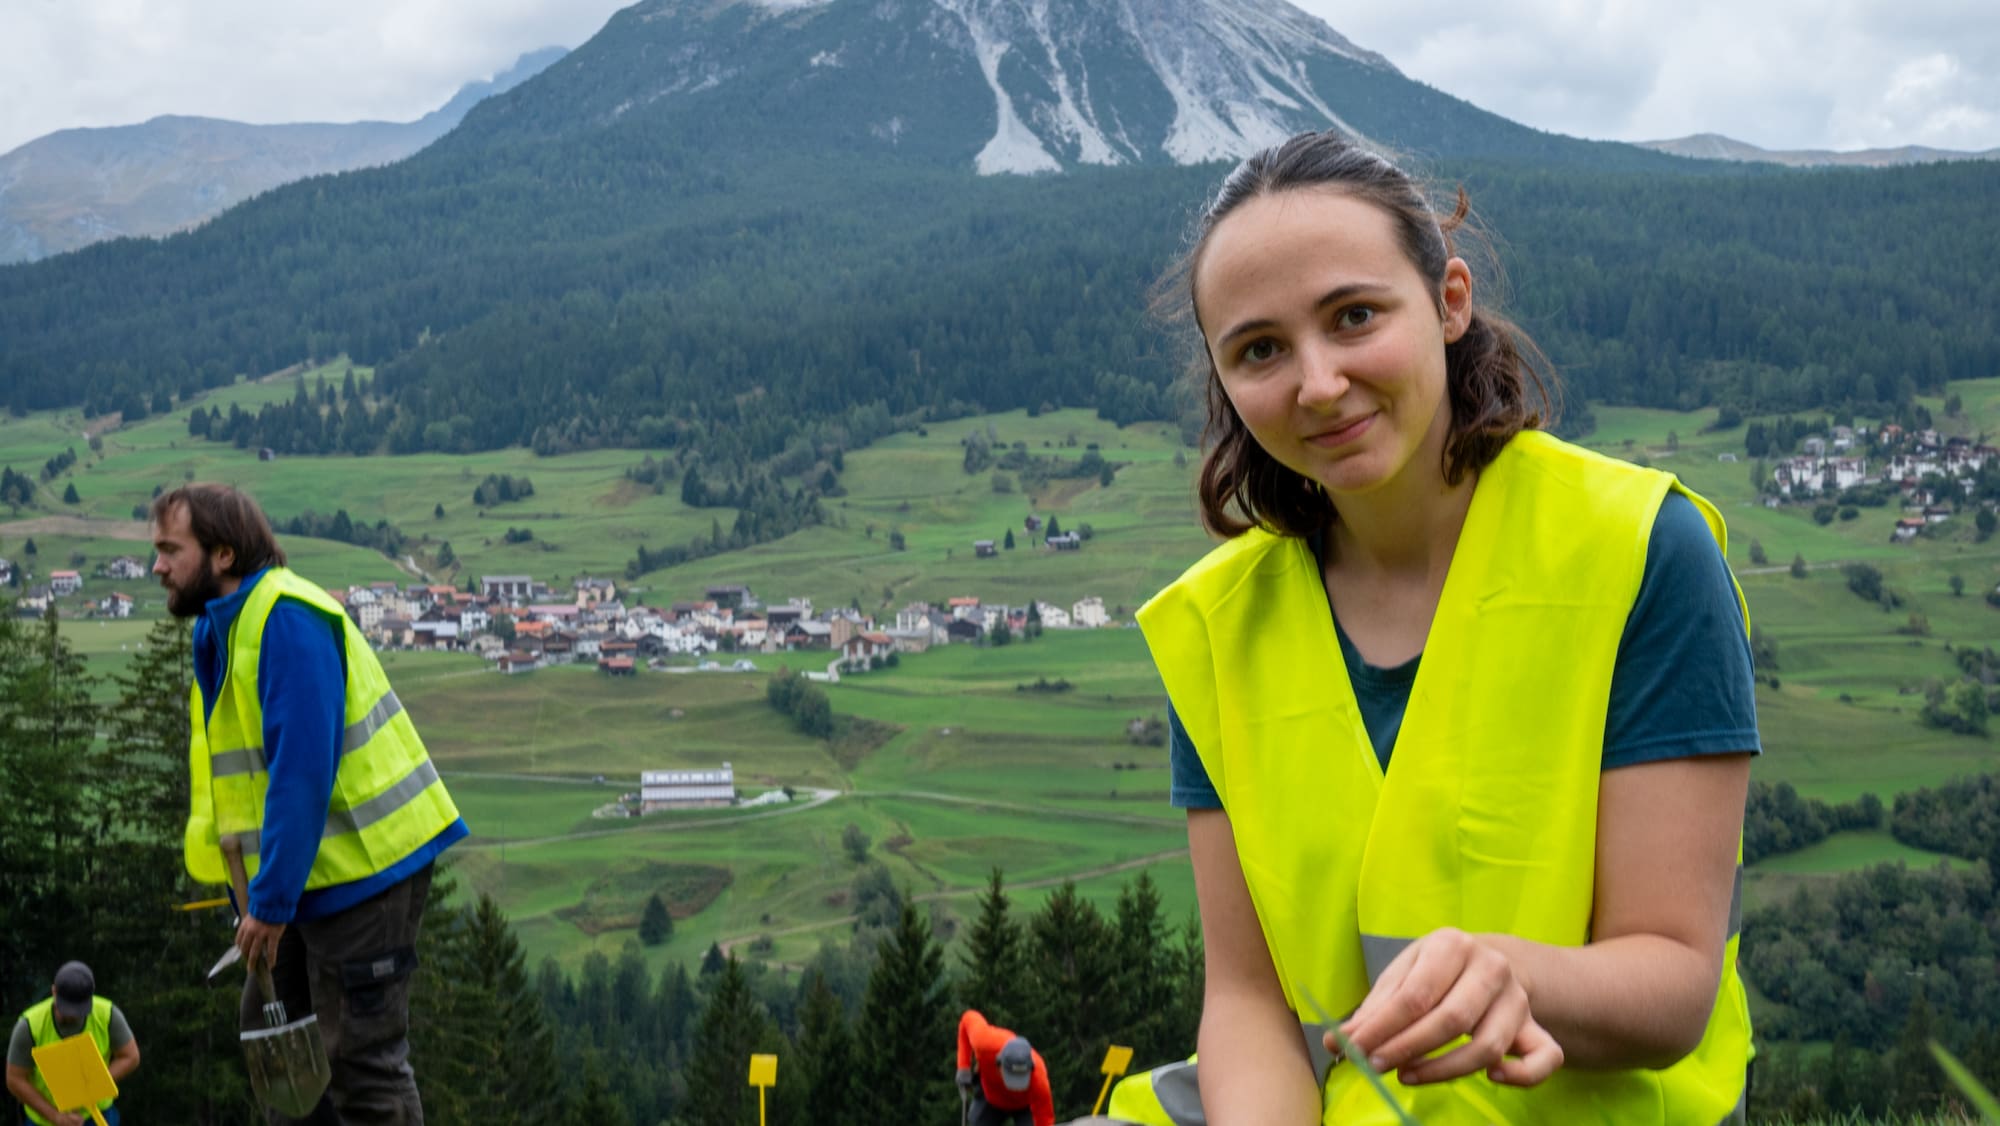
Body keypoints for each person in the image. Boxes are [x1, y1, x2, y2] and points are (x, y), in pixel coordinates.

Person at [1121, 132, 1757, 1124]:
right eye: (1259, 350)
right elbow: (1247, 1002)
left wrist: (1513, 974)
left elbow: (1674, 976)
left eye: (1354, 316)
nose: (1318, 382)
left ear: (1448, 302)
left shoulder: (1638, 550)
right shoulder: (1216, 626)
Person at [151, 484, 467, 1125]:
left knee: (361, 1062)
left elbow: (302, 772)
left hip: (366, 872)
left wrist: (267, 905)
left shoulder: (287, 620)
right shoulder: (226, 629)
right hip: (303, 881)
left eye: (168, 550)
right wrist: (261, 898)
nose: (157, 567)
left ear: (223, 554)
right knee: (281, 1049)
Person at [6, 962, 139, 1126]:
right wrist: (55, 1116)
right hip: (44, 1120)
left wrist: (94, 1085)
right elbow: (14, 1078)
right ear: (54, 991)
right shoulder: (30, 1025)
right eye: (66, 1007)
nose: (73, 1015)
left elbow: (130, 1056)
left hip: (98, 1115)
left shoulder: (107, 1014)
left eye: (79, 1009)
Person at [956, 1010, 1054, 1126]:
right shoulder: (984, 1044)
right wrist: (963, 1067)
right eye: (1012, 1077)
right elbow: (967, 1019)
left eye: (1020, 1079)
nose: (1015, 1088)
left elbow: (1045, 1119)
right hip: (990, 1098)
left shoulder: (1038, 1077)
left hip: (1023, 1106)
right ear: (999, 1064)